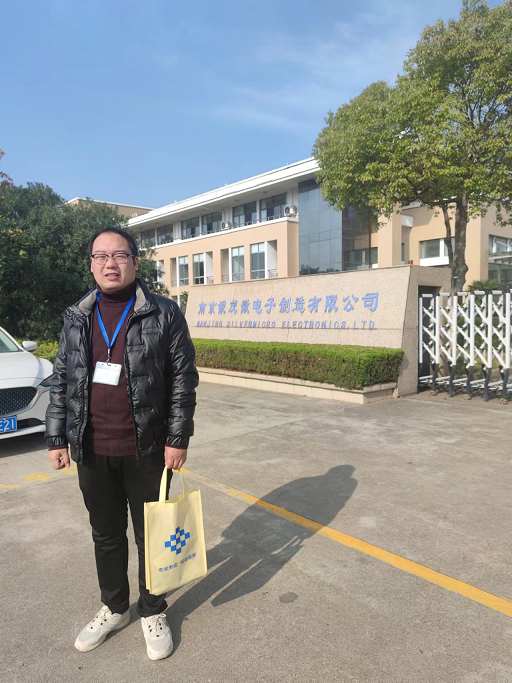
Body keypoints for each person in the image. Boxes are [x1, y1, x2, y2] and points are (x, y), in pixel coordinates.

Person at [46, 226, 198, 661]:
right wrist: (57, 435)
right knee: (106, 534)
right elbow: (61, 379)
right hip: (92, 447)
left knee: (152, 535)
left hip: (146, 447)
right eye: (101, 256)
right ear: (92, 264)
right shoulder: (77, 316)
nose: (109, 264)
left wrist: (177, 438)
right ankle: (114, 608)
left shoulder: (164, 312)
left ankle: (152, 609)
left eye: (119, 255)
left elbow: (183, 379)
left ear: (134, 261)